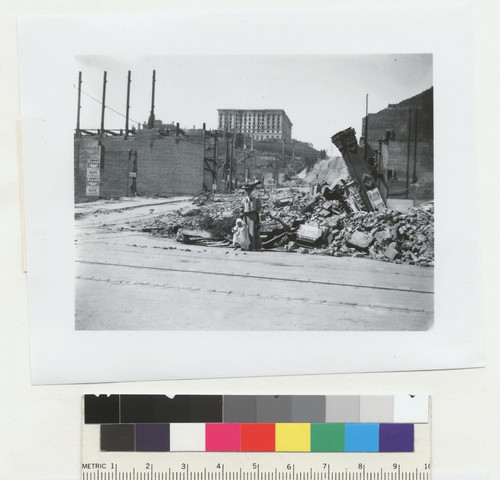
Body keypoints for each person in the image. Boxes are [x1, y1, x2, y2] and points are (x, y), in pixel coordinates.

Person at [241, 185, 262, 251]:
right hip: (246, 216)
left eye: (249, 191)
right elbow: (242, 208)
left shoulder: (255, 199)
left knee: (252, 231)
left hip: (253, 216)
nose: (248, 192)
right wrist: (242, 216)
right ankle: (245, 246)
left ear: (251, 191)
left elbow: (259, 208)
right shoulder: (244, 200)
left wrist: (257, 217)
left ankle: (252, 246)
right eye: (247, 191)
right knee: (245, 231)